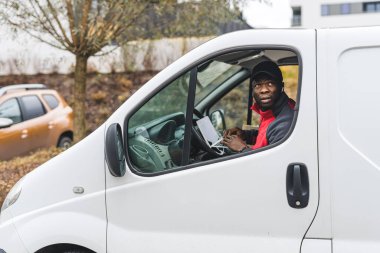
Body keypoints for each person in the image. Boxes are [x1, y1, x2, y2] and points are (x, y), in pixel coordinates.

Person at [221, 60, 296, 152]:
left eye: (270, 84)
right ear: (252, 90)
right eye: (257, 85)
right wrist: (245, 135)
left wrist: (242, 149)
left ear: (281, 86)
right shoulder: (272, 111)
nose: (263, 90)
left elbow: (273, 163)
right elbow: (266, 136)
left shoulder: (284, 123)